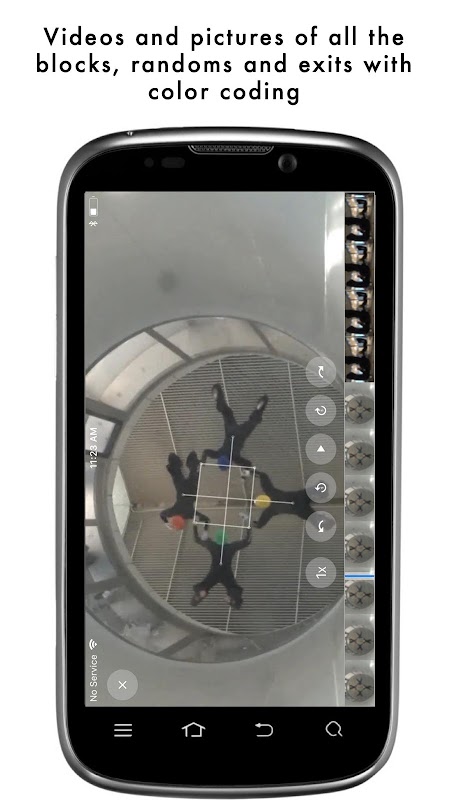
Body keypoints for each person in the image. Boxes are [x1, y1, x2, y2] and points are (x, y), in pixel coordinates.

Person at [201, 383, 269, 470]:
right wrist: (203, 460)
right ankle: (219, 400)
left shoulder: (235, 458)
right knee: (227, 413)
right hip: (230, 431)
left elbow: (247, 463)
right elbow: (206, 452)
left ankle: (259, 408)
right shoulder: (218, 454)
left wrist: (246, 471)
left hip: (241, 435)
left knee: (252, 422)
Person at [191, 519, 252, 609]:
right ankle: (233, 599)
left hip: (217, 566)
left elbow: (197, 539)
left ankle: (199, 595)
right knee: (231, 587)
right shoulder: (229, 548)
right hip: (224, 567)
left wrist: (195, 526)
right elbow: (247, 541)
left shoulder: (214, 546)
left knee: (206, 586)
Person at [160, 451, 209, 529]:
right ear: (173, 518)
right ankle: (174, 458)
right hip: (181, 488)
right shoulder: (173, 512)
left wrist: (200, 523)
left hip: (191, 490)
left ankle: (192, 458)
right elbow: (162, 514)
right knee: (176, 473)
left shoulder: (190, 514)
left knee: (193, 471)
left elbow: (206, 519)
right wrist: (166, 522)